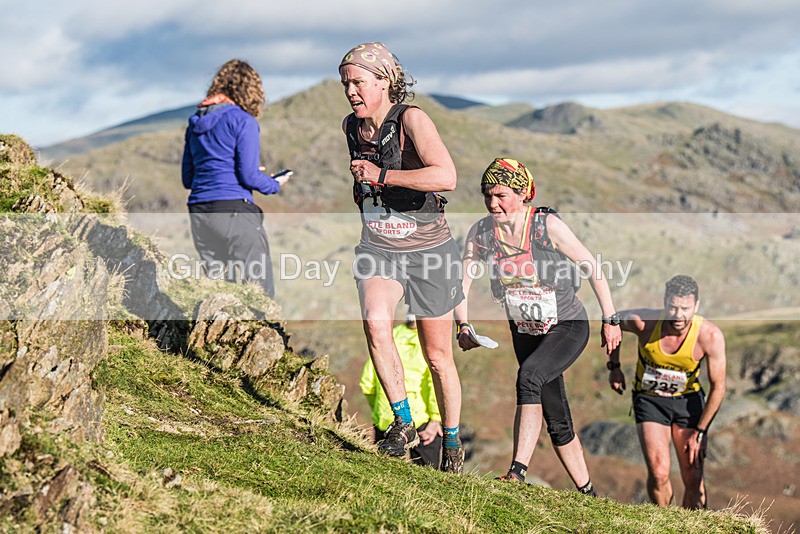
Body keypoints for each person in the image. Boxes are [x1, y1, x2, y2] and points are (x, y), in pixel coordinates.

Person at [455, 158, 621, 495]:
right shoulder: (482, 232)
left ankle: (516, 472)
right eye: (487, 195)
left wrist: (610, 319)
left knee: (528, 377)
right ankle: (588, 493)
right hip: (525, 331)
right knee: (557, 417)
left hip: (567, 326)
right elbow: (463, 281)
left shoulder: (546, 226)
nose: (492, 203)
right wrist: (463, 324)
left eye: (501, 195)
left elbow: (591, 266)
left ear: (522, 194)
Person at [339, 42, 465, 473]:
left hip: (429, 251)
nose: (351, 91)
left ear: (384, 82)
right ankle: (402, 422)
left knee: (437, 356)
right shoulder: (351, 128)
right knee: (376, 324)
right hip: (379, 249)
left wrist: (383, 176)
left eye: (358, 82)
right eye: (345, 84)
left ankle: (450, 441)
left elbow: (445, 176)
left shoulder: (411, 119)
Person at [608, 275, 726, 509]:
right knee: (659, 472)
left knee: (693, 476)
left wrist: (700, 432)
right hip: (650, 400)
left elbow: (718, 387)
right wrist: (615, 367)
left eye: (685, 309)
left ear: (697, 306)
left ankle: (693, 526)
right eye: (672, 307)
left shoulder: (710, 336)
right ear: (664, 303)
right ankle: (665, 522)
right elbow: (612, 321)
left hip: (688, 402)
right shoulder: (645, 322)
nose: (678, 315)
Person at [181, 59, 292, 298]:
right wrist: (274, 184)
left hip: (200, 212)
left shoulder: (195, 124)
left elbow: (188, 178)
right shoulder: (243, 121)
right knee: (260, 293)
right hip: (234, 212)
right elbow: (249, 176)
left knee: (219, 291)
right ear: (250, 90)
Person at [360, 314, 443, 467]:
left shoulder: (389, 337)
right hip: (422, 420)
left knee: (383, 474)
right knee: (427, 476)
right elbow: (434, 381)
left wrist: (378, 411)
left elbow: (367, 382)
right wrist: (436, 419)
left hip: (387, 418)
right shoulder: (429, 341)